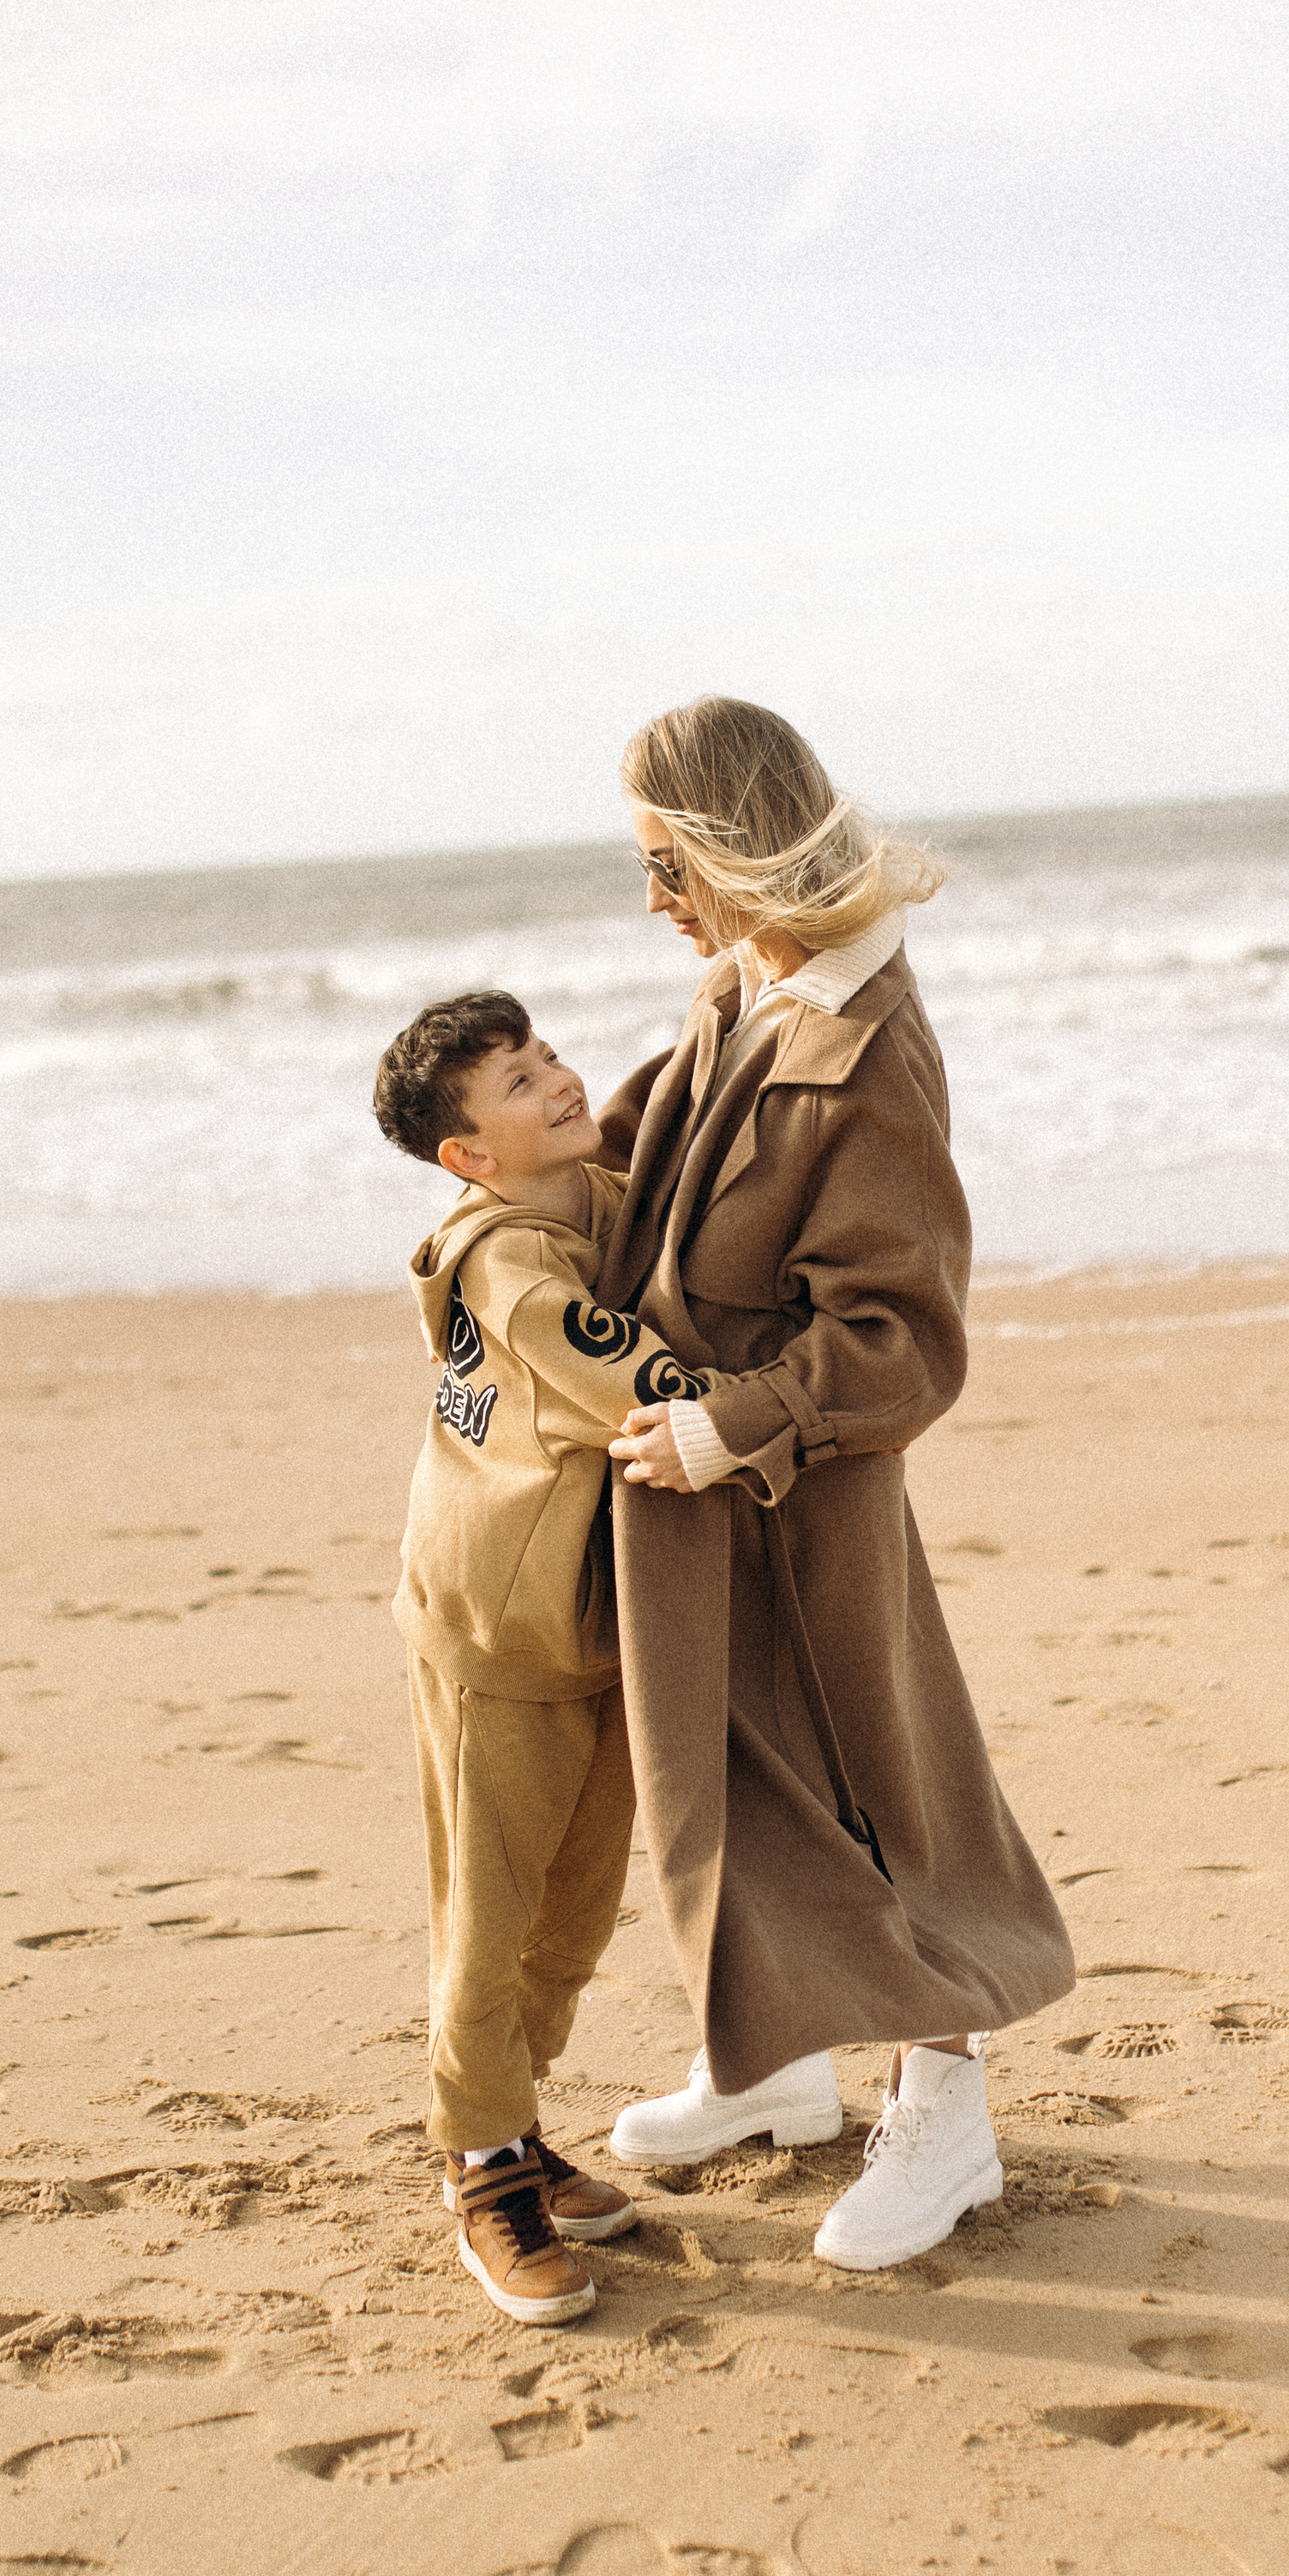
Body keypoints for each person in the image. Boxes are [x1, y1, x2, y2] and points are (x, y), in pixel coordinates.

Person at [597, 696, 1076, 2269]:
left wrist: (739, 1425)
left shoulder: (869, 1049)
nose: (653, 901)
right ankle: (773, 2066)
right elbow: (635, 1164)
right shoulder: (744, 986)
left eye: (666, 865)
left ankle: (948, 2116)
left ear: (733, 850)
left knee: (879, 1792)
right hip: (686, 1495)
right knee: (720, 1784)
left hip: (799, 1500)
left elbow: (906, 1340)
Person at [373, 989, 716, 2327]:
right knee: (491, 1918)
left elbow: (668, 1150)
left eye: (549, 1055)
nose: (560, 1081)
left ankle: (514, 2126)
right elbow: (651, 1387)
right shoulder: (512, 1266)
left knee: (571, 1915)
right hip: (493, 1635)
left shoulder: (591, 1194)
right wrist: (803, 1401)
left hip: (581, 1625)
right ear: (468, 1155)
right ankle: (481, 2170)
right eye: (518, 1083)